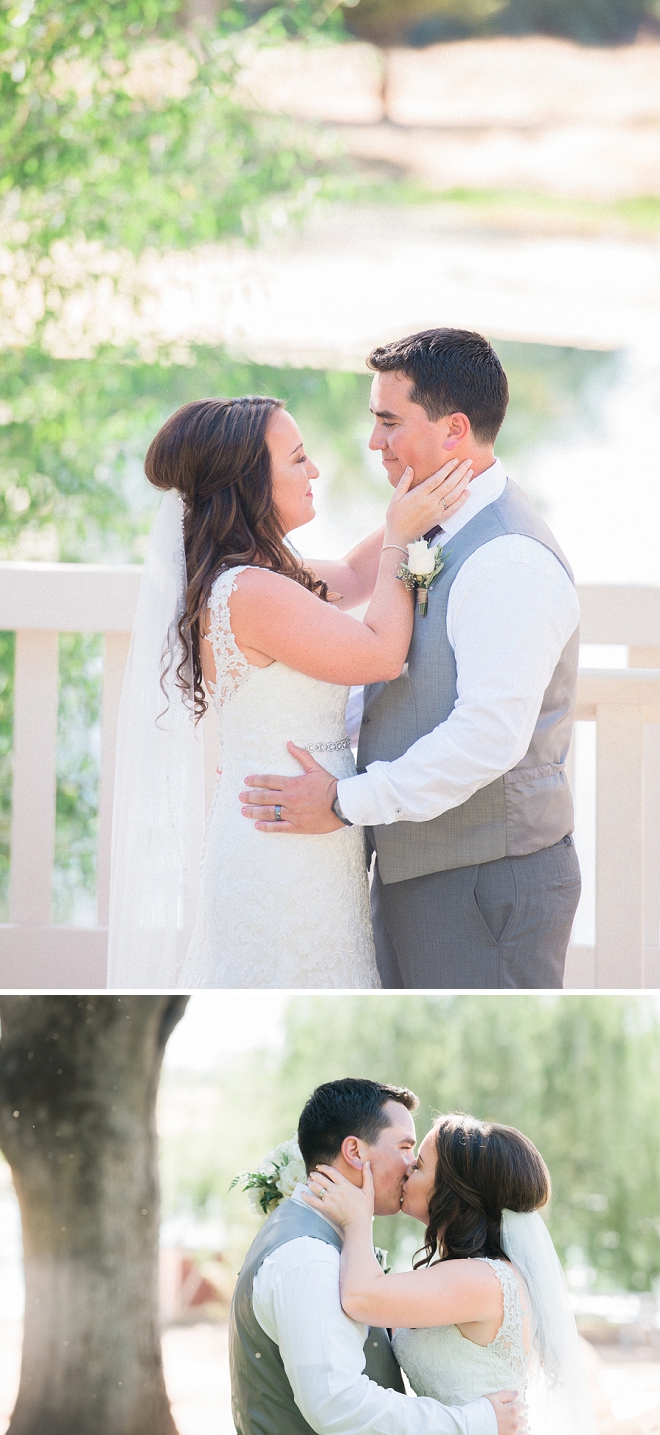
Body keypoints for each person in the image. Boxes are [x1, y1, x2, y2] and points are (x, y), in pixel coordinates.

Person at [240, 328, 581, 989]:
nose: (374, 442)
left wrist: (344, 800)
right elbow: (352, 597)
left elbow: (487, 737)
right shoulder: (425, 515)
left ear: (454, 430)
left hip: (482, 884)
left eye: (389, 421)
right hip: (414, 862)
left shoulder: (509, 560)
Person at [107, 394, 470, 988]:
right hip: (283, 844)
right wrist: (403, 540)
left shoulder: (265, 570)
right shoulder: (251, 591)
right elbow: (380, 653)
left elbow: (356, 578)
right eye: (298, 459)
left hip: (304, 827)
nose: (315, 473)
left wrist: (427, 494)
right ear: (249, 482)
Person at [229, 1078, 523, 1435]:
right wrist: (472, 1422)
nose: (410, 1164)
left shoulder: (331, 1245)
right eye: (404, 1147)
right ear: (354, 1152)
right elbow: (337, 1405)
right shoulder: (308, 1256)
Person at [302, 1110, 596, 1435]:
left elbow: (360, 1297)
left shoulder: (483, 1281)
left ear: (452, 1190)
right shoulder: (467, 1274)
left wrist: (356, 1220)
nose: (406, 1170)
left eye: (419, 1166)